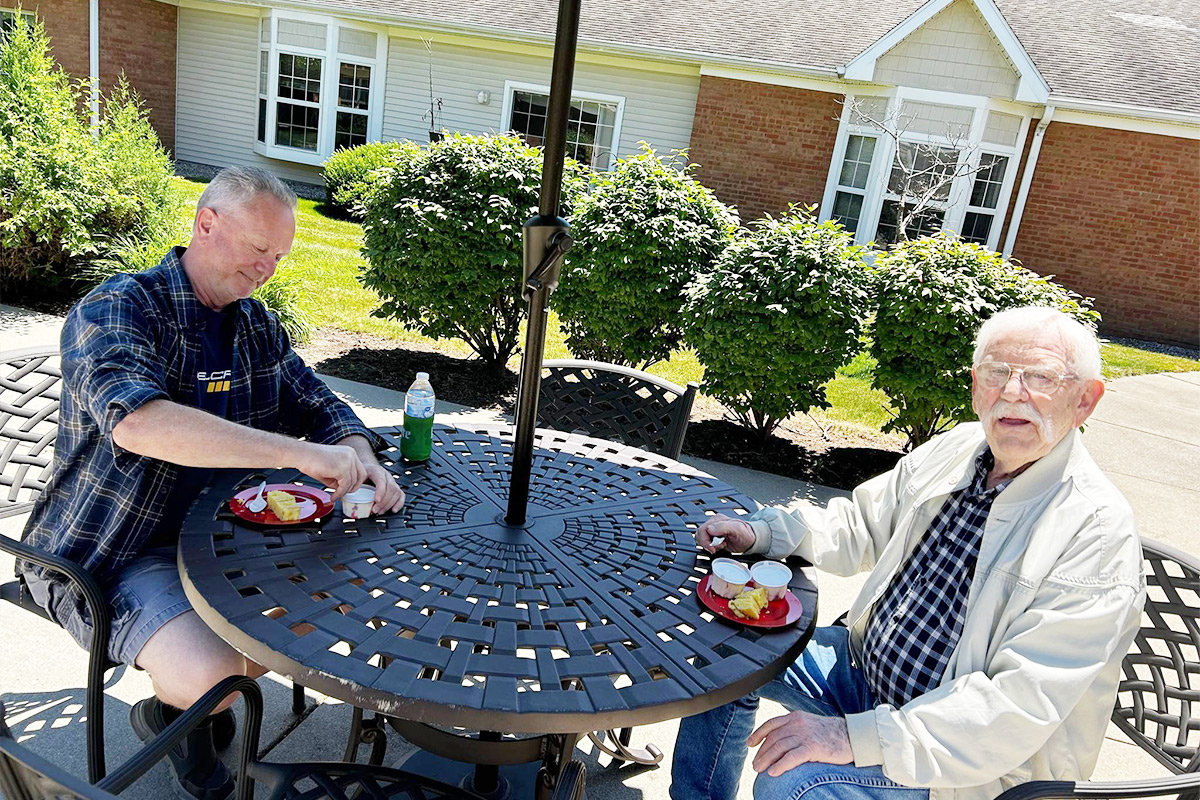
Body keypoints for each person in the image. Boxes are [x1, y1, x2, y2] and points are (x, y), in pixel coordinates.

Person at [19, 166, 406, 800]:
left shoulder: (255, 325)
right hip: (112, 554)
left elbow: (320, 404)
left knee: (348, 612)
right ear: (206, 224)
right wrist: (301, 455)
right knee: (218, 671)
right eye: (259, 250)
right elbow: (140, 424)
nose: (268, 270)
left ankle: (186, 711)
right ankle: (183, 713)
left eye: (278, 257)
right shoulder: (118, 307)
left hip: (228, 540)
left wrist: (359, 454)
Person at [671, 306, 1145, 800]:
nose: (1011, 392)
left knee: (790, 781)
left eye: (1041, 377)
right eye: (997, 373)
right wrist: (765, 533)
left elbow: (1015, 707)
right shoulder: (961, 448)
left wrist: (854, 737)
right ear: (975, 384)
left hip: (964, 763)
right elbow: (860, 524)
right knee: (722, 653)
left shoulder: (1095, 533)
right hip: (861, 672)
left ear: (1085, 401)